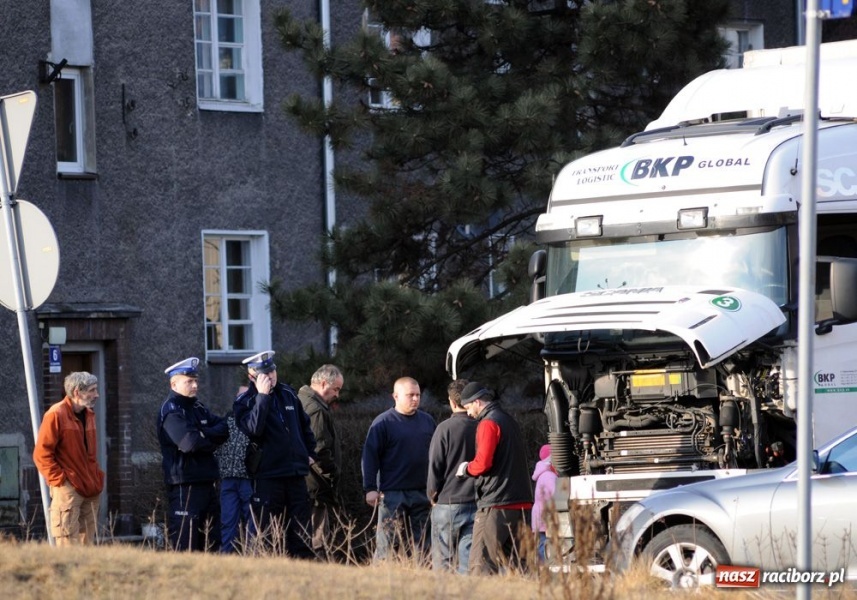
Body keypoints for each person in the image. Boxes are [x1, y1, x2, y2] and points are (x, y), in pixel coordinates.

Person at [233, 350, 317, 559]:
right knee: (268, 534)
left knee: (301, 530)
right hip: (268, 476)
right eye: (264, 373)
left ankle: (304, 570)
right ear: (253, 376)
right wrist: (262, 397)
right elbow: (253, 429)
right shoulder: (246, 401)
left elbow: (304, 426)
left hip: (295, 473)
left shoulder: (288, 393)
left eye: (272, 371)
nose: (271, 376)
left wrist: (308, 452)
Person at [455, 381, 533, 574]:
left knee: (481, 566)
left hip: (496, 504)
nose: (469, 413)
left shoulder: (488, 423)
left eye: (468, 407)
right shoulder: (509, 420)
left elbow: (482, 464)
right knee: (521, 568)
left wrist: (466, 469)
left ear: (477, 402)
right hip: (521, 504)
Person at [157, 357, 228, 551]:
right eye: (189, 381)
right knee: (186, 543)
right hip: (185, 486)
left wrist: (205, 434)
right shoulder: (171, 411)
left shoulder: (198, 407)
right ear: (174, 383)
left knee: (211, 542)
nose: (195, 385)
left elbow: (225, 428)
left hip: (207, 483)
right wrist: (207, 437)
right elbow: (190, 443)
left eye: (196, 380)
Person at [362, 376, 436, 563]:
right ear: (395, 396)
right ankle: (382, 580)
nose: (415, 399)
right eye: (410, 395)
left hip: (422, 492)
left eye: (418, 395)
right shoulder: (383, 423)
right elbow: (370, 457)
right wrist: (370, 488)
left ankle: (424, 582)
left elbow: (437, 456)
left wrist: (437, 487)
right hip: (393, 493)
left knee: (425, 546)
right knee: (388, 545)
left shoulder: (428, 421)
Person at [33, 372, 105, 546]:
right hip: (69, 489)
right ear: (77, 392)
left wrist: (96, 476)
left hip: (90, 487)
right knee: (67, 542)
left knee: (87, 544)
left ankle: (85, 574)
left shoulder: (89, 414)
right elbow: (41, 454)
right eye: (92, 390)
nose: (97, 395)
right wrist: (61, 481)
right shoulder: (56, 414)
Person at [427, 379, 478, 574]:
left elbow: (435, 465)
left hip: (447, 501)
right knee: (467, 563)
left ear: (452, 401)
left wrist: (431, 494)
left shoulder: (444, 428)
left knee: (443, 563)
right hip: (475, 500)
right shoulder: (482, 425)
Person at [297, 364, 344, 555]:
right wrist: (333, 473)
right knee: (317, 540)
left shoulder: (300, 400)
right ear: (324, 384)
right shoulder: (315, 410)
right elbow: (320, 450)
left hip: (303, 481)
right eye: (336, 389)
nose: (337, 395)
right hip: (315, 484)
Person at [215, 386, 254, 553]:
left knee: (253, 523)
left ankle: (254, 557)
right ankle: (227, 558)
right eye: (240, 395)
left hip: (248, 480)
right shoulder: (226, 421)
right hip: (228, 480)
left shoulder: (254, 422)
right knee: (228, 521)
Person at [531, 444, 557, 564]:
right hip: (546, 519)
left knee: (542, 545)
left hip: (538, 519)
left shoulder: (542, 474)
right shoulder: (549, 476)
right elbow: (556, 496)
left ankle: (543, 569)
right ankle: (547, 570)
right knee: (547, 548)